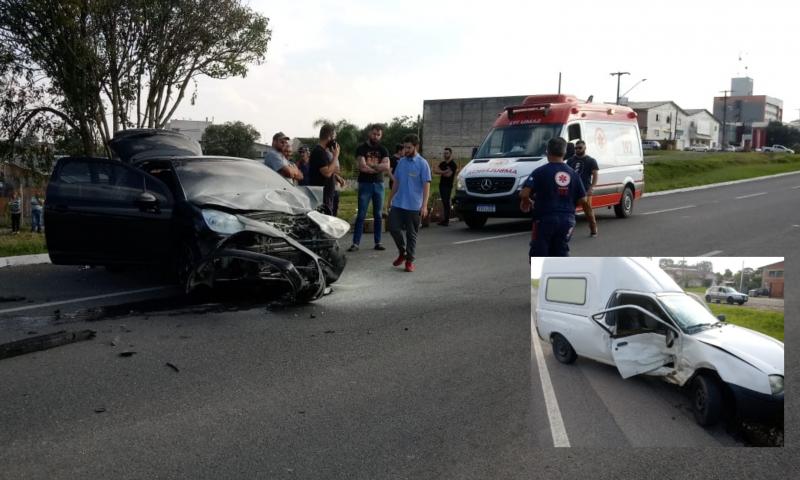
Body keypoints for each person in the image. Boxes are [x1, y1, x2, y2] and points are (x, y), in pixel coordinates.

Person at [519, 137, 586, 257]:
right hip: (567, 219)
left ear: (547, 151)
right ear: (565, 153)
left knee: (539, 254)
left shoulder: (539, 172)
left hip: (544, 219)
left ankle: (541, 275)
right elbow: (583, 200)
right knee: (561, 252)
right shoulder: (573, 174)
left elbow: (524, 193)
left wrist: (527, 201)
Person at [387, 134, 431, 272]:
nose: (405, 150)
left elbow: (426, 186)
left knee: (411, 234)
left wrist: (424, 205)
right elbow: (396, 182)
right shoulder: (401, 162)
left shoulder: (423, 164)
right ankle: (402, 252)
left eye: (409, 147)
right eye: (404, 147)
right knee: (393, 228)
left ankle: (409, 261)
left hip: (413, 205)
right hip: (398, 203)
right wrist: (389, 199)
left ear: (416, 147)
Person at [349, 124, 391, 252]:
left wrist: (371, 167)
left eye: (378, 134)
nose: (376, 136)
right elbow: (362, 166)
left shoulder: (383, 149)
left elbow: (387, 166)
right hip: (365, 184)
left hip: (379, 184)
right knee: (361, 214)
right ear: (369, 133)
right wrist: (377, 167)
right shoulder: (361, 148)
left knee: (378, 214)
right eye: (374, 134)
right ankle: (355, 243)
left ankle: (378, 242)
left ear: (381, 135)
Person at [566, 140, 599, 237]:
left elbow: (595, 175)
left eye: (580, 148)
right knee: (569, 211)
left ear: (585, 148)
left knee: (588, 211)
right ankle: (567, 231)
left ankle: (593, 229)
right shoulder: (570, 160)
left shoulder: (591, 160)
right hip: (572, 190)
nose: (577, 150)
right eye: (576, 148)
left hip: (585, 190)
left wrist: (592, 188)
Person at [308, 124, 341, 214]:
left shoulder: (324, 152)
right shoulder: (319, 152)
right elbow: (327, 173)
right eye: (334, 137)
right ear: (330, 137)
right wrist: (335, 156)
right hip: (321, 196)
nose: (335, 141)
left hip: (327, 194)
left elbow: (335, 169)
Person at [432, 147, 458, 226]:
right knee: (444, 202)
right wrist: (444, 171)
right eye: (444, 153)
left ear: (450, 154)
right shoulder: (443, 163)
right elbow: (435, 170)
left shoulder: (453, 164)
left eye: (447, 153)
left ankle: (446, 220)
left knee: (446, 202)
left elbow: (448, 175)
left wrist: (441, 172)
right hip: (442, 185)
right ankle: (445, 219)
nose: (445, 154)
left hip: (448, 185)